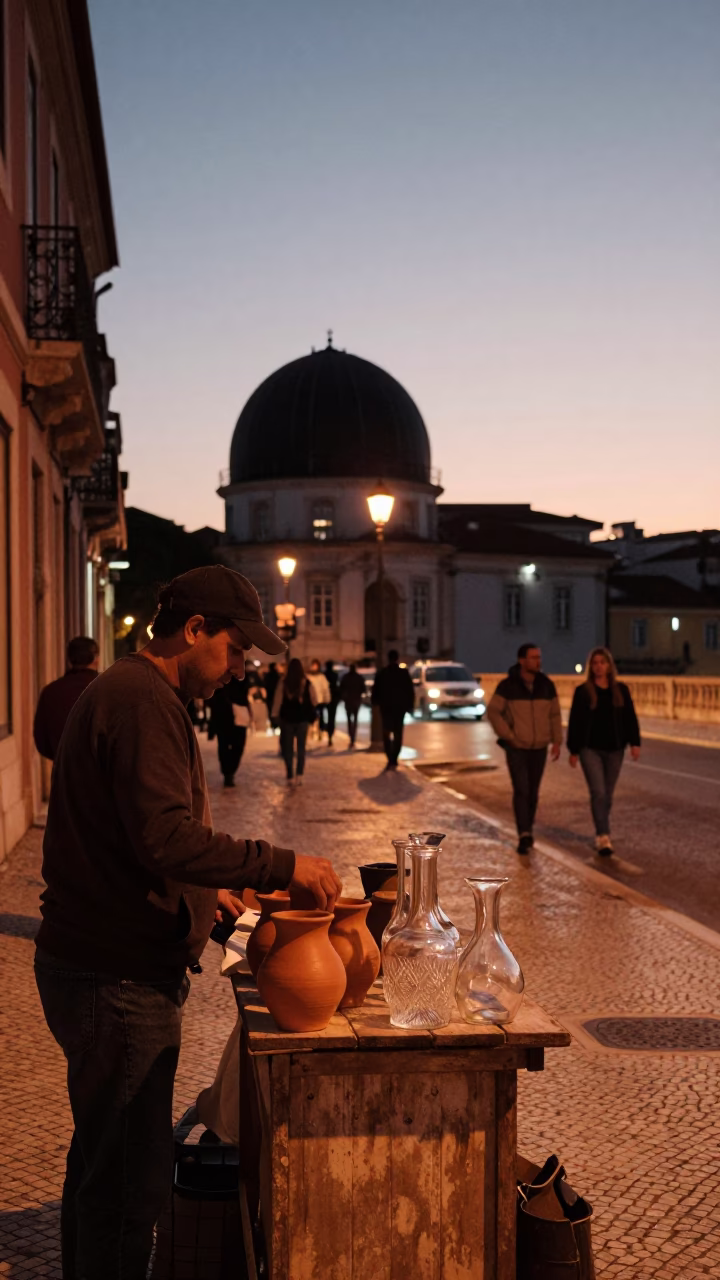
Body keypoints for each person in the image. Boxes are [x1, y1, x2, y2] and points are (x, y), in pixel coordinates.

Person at [34, 565, 341, 1280]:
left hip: (98, 964)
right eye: (235, 650)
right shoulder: (143, 699)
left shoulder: (136, 691)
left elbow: (131, 840)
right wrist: (277, 864)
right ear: (194, 630)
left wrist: (207, 905)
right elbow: (164, 836)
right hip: (115, 979)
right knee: (127, 1186)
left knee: (101, 1163)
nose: (240, 669)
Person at [487, 643, 562, 854]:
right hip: (516, 748)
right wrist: (509, 736)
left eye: (539, 657)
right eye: (533, 657)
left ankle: (528, 828)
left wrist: (557, 740)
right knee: (521, 789)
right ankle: (524, 834)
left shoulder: (546, 685)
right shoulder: (507, 686)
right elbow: (493, 712)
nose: (538, 661)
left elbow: (555, 714)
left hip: (539, 747)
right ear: (522, 660)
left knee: (533, 792)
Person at [567, 647, 641, 855]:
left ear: (609, 666)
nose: (599, 667)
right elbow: (575, 722)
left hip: (615, 748)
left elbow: (630, 718)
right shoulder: (583, 692)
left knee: (607, 794)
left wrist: (635, 743)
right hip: (590, 748)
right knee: (598, 791)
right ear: (591, 667)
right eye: (595, 663)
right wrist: (573, 750)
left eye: (602, 662)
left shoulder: (621, 690)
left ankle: (602, 827)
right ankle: (603, 835)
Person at [33, 635, 99, 761]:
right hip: (103, 774)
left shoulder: (50, 692)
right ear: (96, 659)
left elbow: (42, 740)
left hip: (65, 772)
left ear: (70, 659)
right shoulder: (110, 688)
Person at [272, 657, 318, 785]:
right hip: (302, 719)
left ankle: (290, 776)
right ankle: (300, 775)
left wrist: (275, 715)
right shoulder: (306, 683)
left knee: (288, 749)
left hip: (287, 719)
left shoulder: (283, 682)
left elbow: (278, 700)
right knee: (301, 748)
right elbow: (314, 700)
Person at [206, 675, 253, 787]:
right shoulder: (220, 674)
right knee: (224, 746)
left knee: (237, 746)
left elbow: (244, 693)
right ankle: (228, 773)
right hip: (224, 715)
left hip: (238, 714)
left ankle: (229, 771)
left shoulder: (240, 675)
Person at [371, 649, 415, 769]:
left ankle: (390, 757)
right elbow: (410, 691)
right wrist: (410, 706)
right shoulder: (403, 673)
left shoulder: (382, 673)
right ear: (397, 658)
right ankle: (394, 757)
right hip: (399, 708)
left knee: (386, 732)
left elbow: (376, 690)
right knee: (398, 732)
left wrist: (375, 702)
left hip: (386, 707)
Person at [338, 663, 366, 747]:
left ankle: (351, 737)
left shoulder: (346, 678)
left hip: (348, 701)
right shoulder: (359, 678)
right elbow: (363, 689)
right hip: (356, 700)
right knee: (355, 719)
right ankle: (353, 737)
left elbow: (341, 689)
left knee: (349, 720)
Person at [307, 659, 331, 740]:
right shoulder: (308, 676)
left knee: (320, 717)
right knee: (311, 716)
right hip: (310, 700)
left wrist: (327, 698)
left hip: (320, 700)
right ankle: (311, 732)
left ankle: (319, 732)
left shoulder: (321, 677)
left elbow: (325, 688)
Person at [324, 659, 339, 746]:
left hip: (326, 698)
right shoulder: (335, 675)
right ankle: (330, 734)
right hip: (333, 698)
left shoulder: (324, 675)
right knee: (332, 717)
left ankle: (327, 731)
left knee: (327, 716)